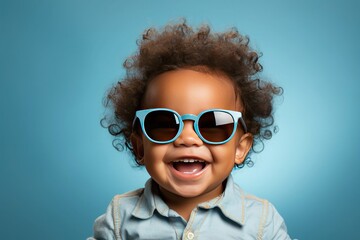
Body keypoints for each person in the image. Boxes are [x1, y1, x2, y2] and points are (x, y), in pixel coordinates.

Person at [88, 20, 291, 240]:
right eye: (165, 125)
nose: (187, 138)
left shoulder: (261, 221)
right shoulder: (120, 218)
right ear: (140, 147)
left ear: (240, 148)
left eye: (213, 125)